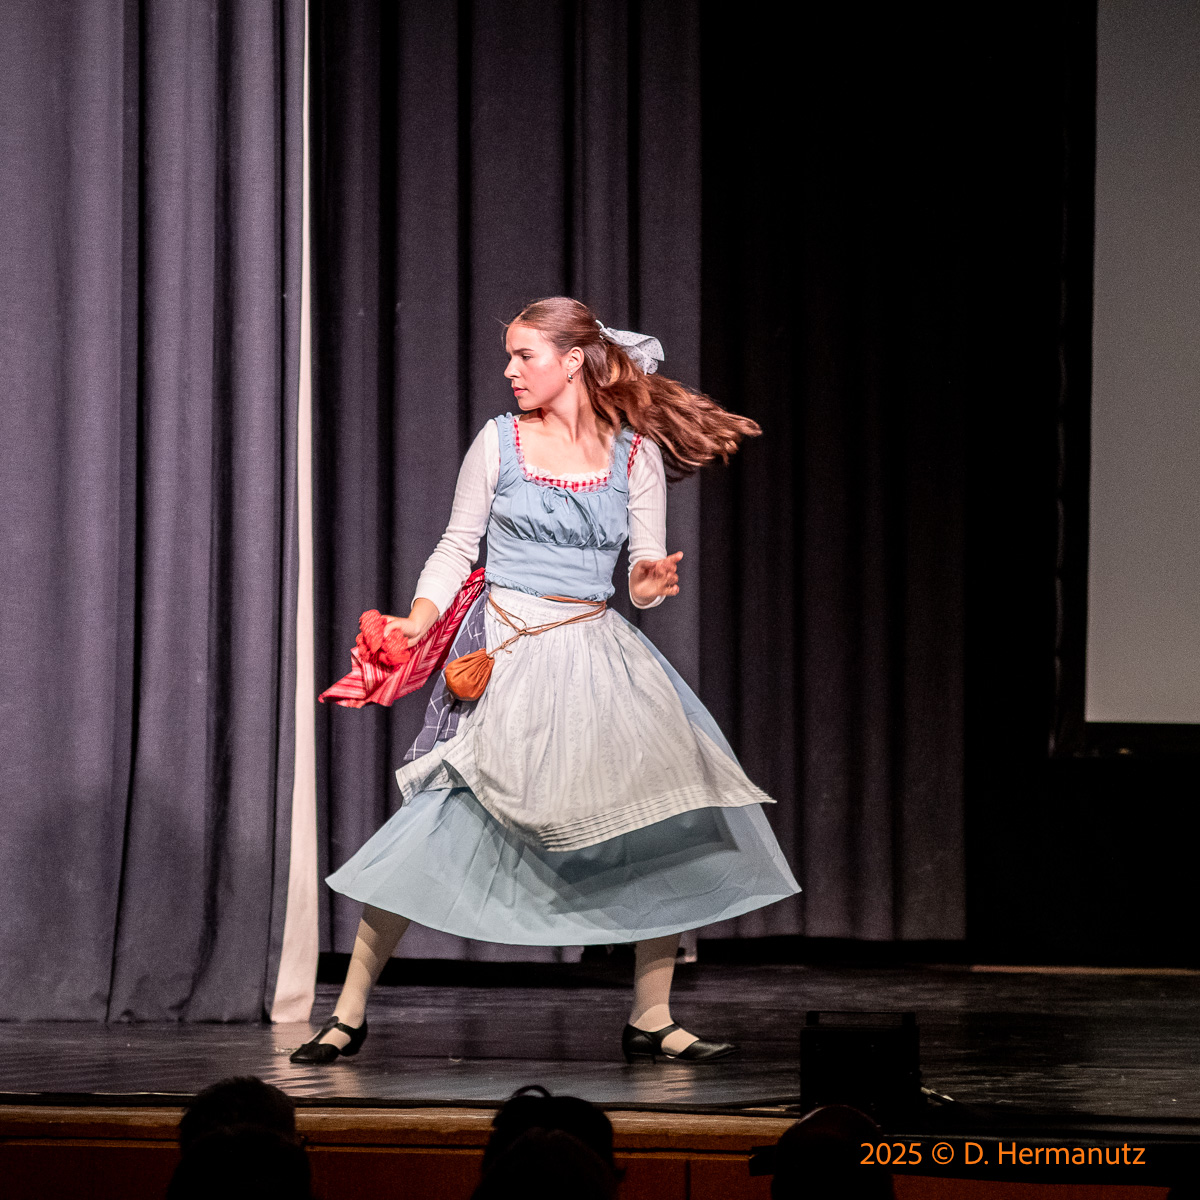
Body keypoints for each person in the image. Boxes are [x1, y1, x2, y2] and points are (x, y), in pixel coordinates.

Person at [291, 296, 800, 1066]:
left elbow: (640, 574)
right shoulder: (498, 443)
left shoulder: (634, 455)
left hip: (594, 651)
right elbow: (456, 546)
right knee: (436, 820)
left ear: (573, 360)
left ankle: (652, 1014)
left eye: (524, 355)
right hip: (506, 648)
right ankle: (348, 1011)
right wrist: (419, 620)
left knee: (659, 819)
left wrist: (650, 582)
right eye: (510, 355)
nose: (510, 369)